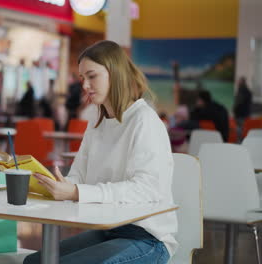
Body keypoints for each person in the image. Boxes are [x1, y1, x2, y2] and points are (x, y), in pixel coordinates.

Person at [24, 40, 177, 264]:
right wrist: (56, 185)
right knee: (33, 262)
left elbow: (148, 189)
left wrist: (75, 192)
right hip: (109, 231)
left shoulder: (145, 120)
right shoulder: (97, 123)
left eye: (92, 76)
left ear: (115, 74)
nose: (85, 85)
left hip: (149, 240)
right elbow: (79, 178)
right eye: (82, 78)